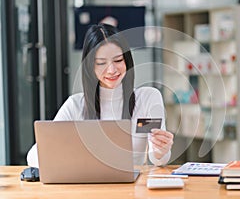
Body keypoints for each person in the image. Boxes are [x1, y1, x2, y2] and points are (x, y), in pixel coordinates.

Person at [27, 23, 174, 167]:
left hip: (131, 188)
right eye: (101, 63)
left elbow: (158, 160)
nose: (111, 70)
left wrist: (161, 150)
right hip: (88, 187)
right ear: (90, 66)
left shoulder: (147, 98)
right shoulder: (76, 105)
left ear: (127, 61)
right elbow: (33, 157)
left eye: (118, 60)